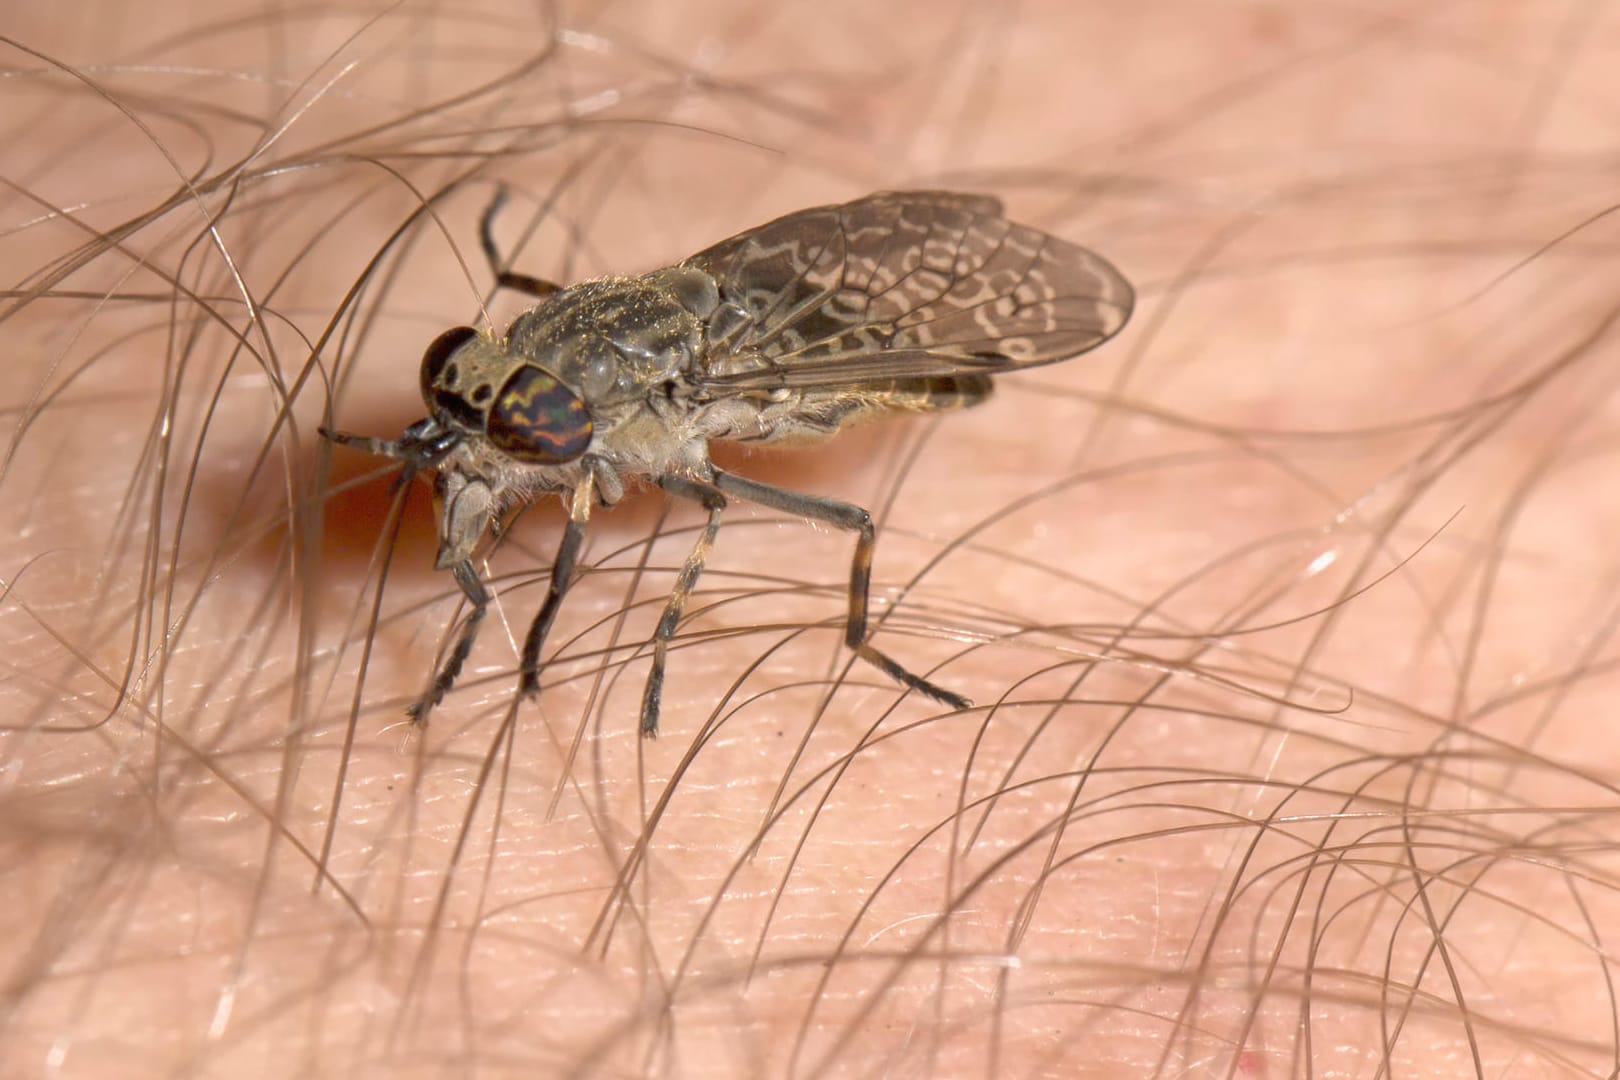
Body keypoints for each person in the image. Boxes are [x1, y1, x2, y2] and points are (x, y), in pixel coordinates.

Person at [5, 2, 1614, 1074]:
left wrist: (593, 594)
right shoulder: (545, 371)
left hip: (807, 348)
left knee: (783, 517)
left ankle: (856, 639)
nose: (464, 423)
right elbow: (560, 341)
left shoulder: (636, 438)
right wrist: (504, 379)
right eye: (467, 393)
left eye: (510, 417)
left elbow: (592, 512)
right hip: (704, 311)